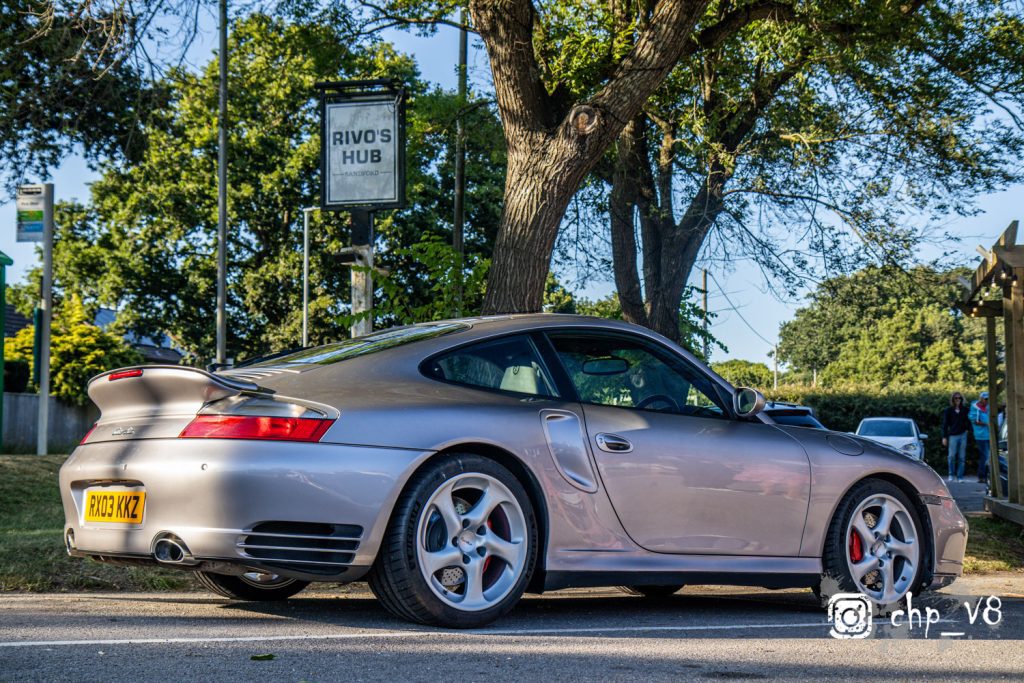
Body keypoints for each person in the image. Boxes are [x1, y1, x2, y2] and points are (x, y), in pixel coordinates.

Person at [941, 392, 970, 482]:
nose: (958, 400)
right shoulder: (948, 410)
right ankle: (951, 474)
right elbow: (945, 424)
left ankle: (960, 476)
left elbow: (968, 422)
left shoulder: (965, 410)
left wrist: (967, 430)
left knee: (962, 457)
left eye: (959, 398)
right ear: (953, 400)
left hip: (963, 435)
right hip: (953, 435)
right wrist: (944, 437)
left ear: (962, 399)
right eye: (956, 398)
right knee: (951, 456)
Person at [969, 391, 991, 484]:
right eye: (985, 399)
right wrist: (986, 423)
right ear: (981, 399)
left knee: (989, 456)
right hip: (981, 436)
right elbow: (974, 420)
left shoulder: (988, 407)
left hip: (989, 435)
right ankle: (982, 476)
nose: (987, 401)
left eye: (988, 399)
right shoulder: (975, 408)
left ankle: (987, 476)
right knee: (985, 456)